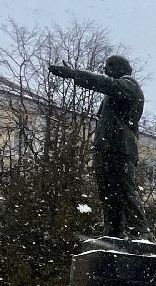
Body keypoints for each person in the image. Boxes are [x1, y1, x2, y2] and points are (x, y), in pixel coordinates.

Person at [49, 55, 147, 239]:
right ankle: (114, 233)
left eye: (110, 66)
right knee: (109, 194)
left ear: (123, 69)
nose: (106, 69)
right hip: (106, 148)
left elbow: (106, 83)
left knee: (126, 191)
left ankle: (141, 232)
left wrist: (74, 74)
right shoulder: (114, 92)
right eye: (105, 66)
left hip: (121, 149)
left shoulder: (129, 85)